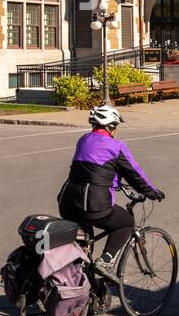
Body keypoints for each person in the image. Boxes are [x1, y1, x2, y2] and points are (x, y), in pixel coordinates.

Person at [57, 105, 163, 281]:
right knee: (126, 222)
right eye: (115, 126)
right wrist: (152, 192)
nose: (116, 130)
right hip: (93, 204)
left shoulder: (83, 140)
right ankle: (105, 262)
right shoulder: (116, 147)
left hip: (67, 202)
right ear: (109, 127)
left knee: (85, 240)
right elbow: (135, 174)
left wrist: (114, 183)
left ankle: (84, 283)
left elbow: (92, 169)